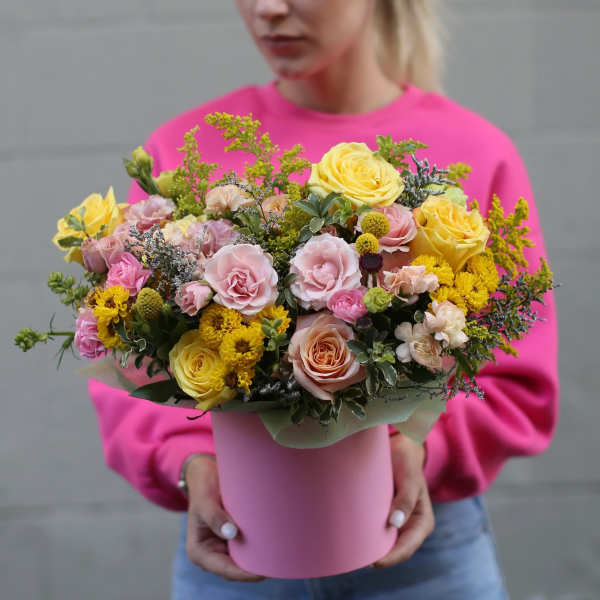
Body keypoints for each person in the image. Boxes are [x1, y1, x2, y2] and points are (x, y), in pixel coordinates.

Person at [89, 1, 559, 598]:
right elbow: (130, 356)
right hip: (238, 543)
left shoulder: (474, 149)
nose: (269, 8)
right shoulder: (185, 148)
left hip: (423, 554)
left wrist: (423, 449)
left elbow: (517, 381)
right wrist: (189, 464)